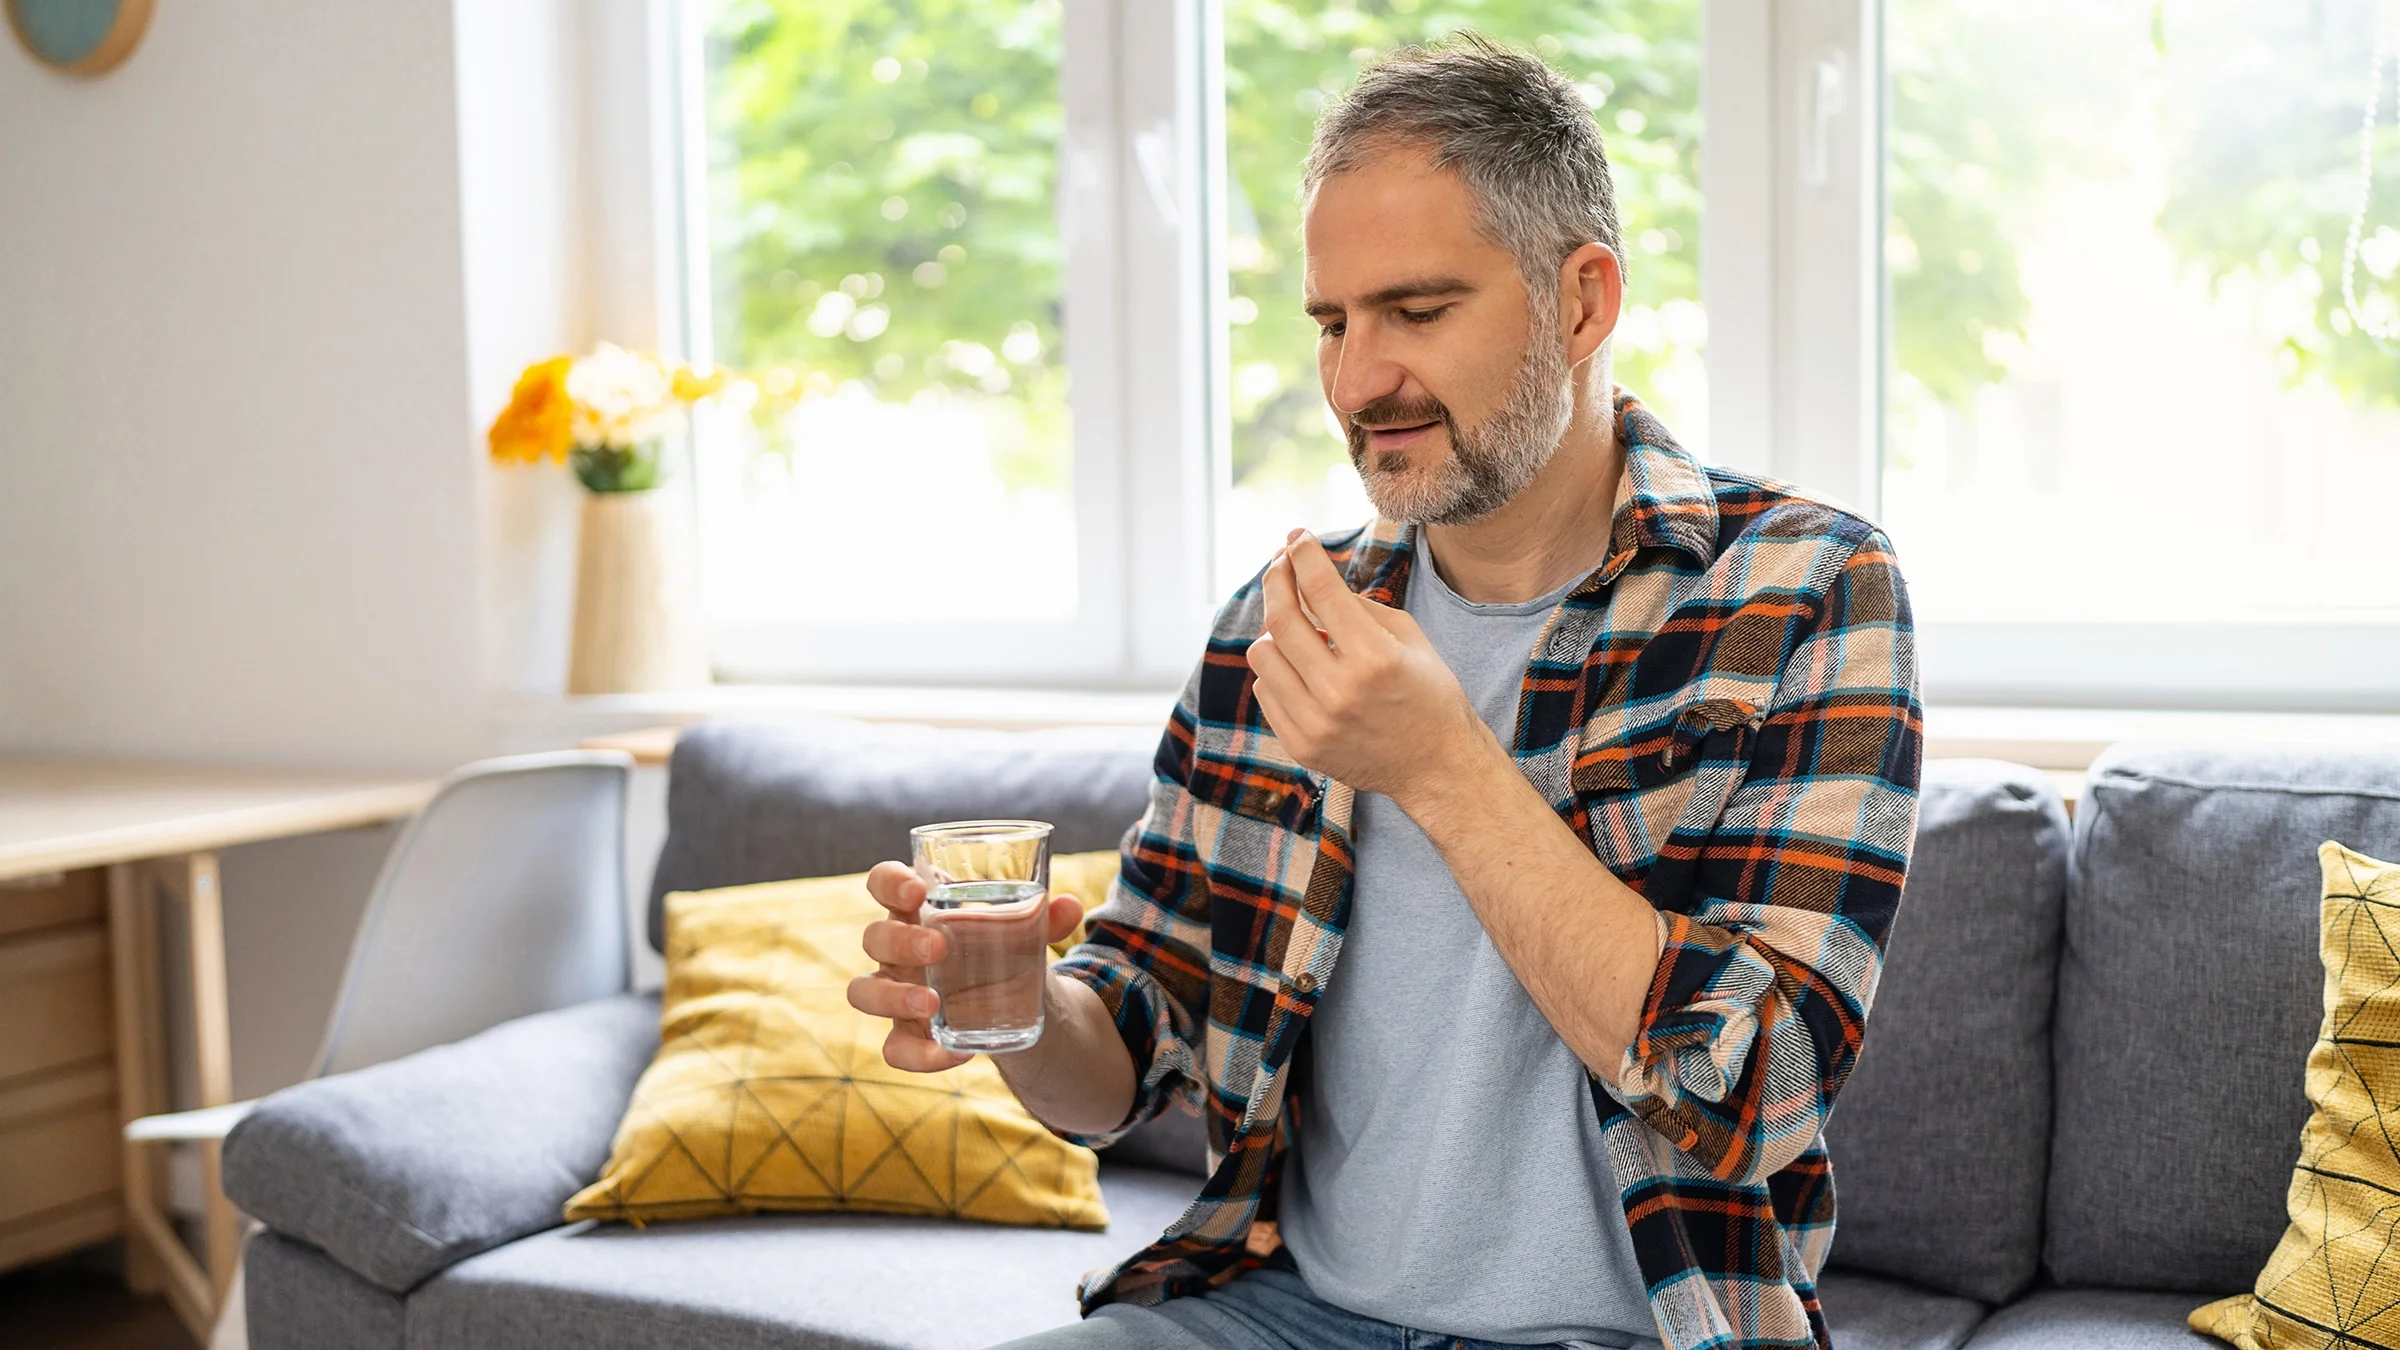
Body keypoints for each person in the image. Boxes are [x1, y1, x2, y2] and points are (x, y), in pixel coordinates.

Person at [849, 34, 1922, 1350]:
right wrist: (1013, 1006)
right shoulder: (1283, 623)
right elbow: (1132, 1035)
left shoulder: (1801, 588)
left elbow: (1756, 1088)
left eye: (1416, 311)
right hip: (1289, 1309)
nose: (1358, 382)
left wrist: (1439, 763)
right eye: (1332, 322)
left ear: (1583, 302)